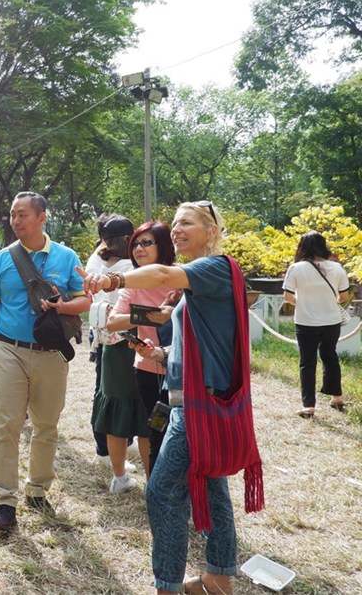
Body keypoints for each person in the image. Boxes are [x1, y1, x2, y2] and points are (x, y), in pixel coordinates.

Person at [79, 201, 256, 595]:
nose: (177, 229)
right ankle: (218, 579)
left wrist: (111, 279)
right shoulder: (198, 279)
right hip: (192, 396)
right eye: (174, 223)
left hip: (197, 405)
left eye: (186, 222)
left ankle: (168, 587)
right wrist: (160, 354)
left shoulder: (214, 267)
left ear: (211, 231)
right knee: (211, 489)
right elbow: (198, 340)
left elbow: (159, 273)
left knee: (160, 492)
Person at [0, 192, 90, 532]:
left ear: (42, 218)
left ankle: (37, 490)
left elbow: (84, 301)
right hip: (9, 350)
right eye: (13, 215)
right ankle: (5, 501)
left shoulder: (66, 257)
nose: (16, 221)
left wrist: (62, 306)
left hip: (51, 353)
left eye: (23, 214)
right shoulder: (1, 260)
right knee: (6, 424)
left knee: (46, 425)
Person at [105, 221, 179, 479]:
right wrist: (149, 314)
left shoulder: (181, 277)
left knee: (184, 435)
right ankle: (155, 487)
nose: (138, 249)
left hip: (183, 369)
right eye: (135, 244)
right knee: (153, 431)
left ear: (165, 245)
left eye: (146, 243)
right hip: (148, 370)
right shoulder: (134, 284)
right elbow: (113, 322)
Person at [85, 214, 137, 474]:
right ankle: (112, 447)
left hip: (100, 332)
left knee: (102, 389)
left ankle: (106, 447)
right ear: (128, 238)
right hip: (124, 334)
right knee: (122, 394)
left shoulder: (95, 260)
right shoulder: (130, 266)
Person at [283, 231, 350, 418]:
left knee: (307, 362)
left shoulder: (296, 268)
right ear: (323, 246)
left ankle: (308, 406)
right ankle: (337, 397)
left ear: (302, 247)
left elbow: (287, 296)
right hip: (332, 321)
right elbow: (344, 296)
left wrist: (303, 304)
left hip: (306, 322)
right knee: (330, 357)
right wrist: (328, 302)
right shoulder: (337, 268)